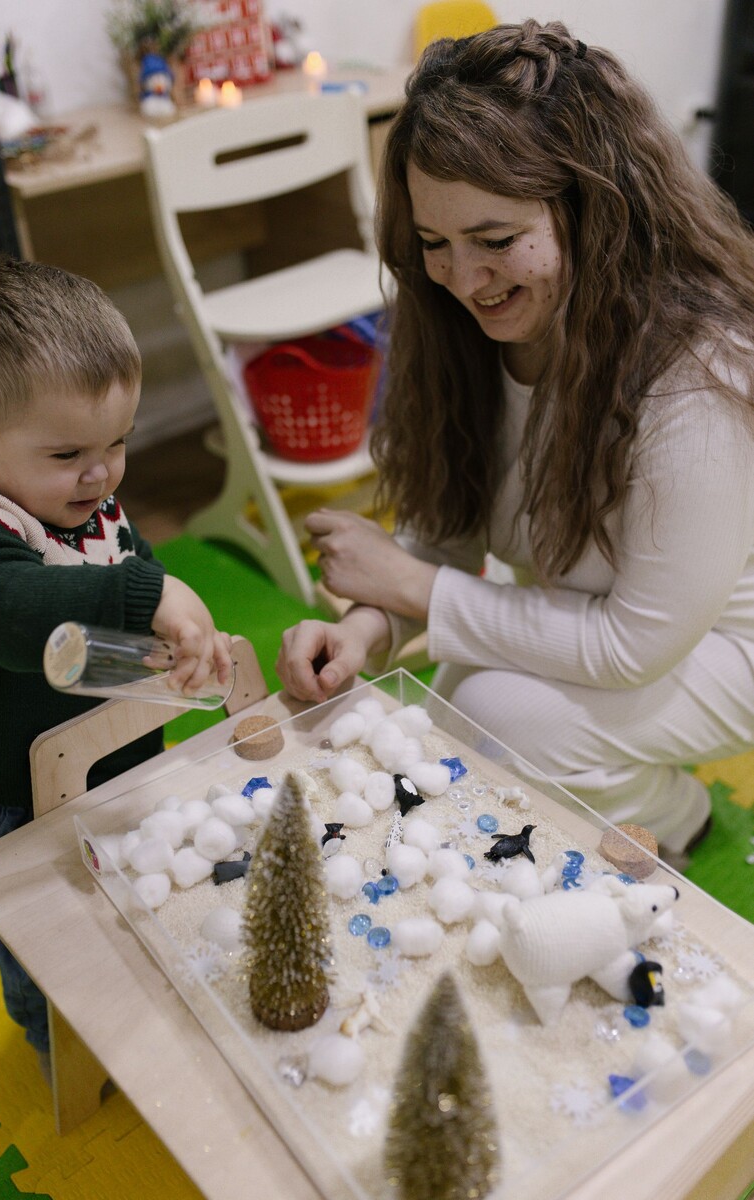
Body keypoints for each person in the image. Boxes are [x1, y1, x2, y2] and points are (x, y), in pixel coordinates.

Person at [276, 19, 754, 867]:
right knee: (459, 706)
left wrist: (411, 587)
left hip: (720, 646)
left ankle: (671, 813)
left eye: (496, 242)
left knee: (494, 715)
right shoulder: (477, 331)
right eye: (434, 245)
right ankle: (632, 791)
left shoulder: (696, 374)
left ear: (593, 207)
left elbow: (632, 644)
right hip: (608, 616)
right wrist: (365, 629)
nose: (462, 280)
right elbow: (449, 525)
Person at [0, 255, 234, 1071]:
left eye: (118, 442)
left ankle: (135, 995)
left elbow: (123, 556)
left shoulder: (76, 490)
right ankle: (55, 1039)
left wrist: (176, 641)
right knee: (49, 928)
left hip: (118, 750)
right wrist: (146, 591)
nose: (103, 473)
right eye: (71, 452)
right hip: (15, 784)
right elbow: (11, 616)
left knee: (131, 888)